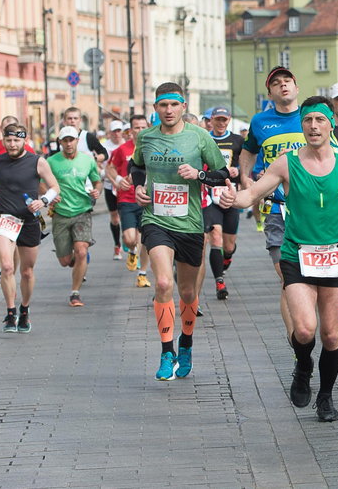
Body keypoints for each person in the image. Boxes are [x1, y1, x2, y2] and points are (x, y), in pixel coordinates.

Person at [221, 97, 338, 422]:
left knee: (331, 335)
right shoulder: (287, 163)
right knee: (304, 330)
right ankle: (303, 366)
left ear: (331, 124)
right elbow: (252, 194)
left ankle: (326, 397)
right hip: (297, 255)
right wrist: (234, 199)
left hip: (335, 256)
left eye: (319, 120)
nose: (313, 126)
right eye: (307, 120)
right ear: (302, 125)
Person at [130, 82, 229, 381]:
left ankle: (185, 343)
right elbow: (136, 167)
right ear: (156, 108)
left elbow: (221, 173)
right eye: (163, 105)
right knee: (162, 283)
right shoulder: (145, 137)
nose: (168, 111)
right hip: (155, 220)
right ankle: (166, 352)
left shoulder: (199, 137)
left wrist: (198, 174)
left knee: (188, 291)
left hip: (189, 223)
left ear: (183, 107)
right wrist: (137, 186)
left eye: (174, 105)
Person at [239, 67, 308, 339]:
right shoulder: (260, 121)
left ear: (296, 86)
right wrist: (245, 177)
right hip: (276, 209)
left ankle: (309, 326)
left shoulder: (312, 117)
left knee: (310, 280)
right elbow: (248, 151)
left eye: (287, 81)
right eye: (276, 84)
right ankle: (298, 345)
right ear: (270, 92)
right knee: (288, 279)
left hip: (312, 210)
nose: (283, 86)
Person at [0, 123, 60, 333]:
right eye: (8, 140)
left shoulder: (37, 162)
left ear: (25, 140)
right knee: (7, 267)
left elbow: (54, 187)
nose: (12, 144)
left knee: (27, 272)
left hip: (30, 220)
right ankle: (10, 312)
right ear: (3, 140)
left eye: (16, 140)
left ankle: (24, 310)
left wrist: (43, 201)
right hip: (7, 218)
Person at [48, 126, 102, 307]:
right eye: (65, 140)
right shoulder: (51, 161)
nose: (69, 143)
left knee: (81, 251)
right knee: (65, 261)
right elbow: (41, 184)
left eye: (72, 140)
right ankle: (73, 259)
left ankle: (75, 293)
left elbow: (97, 181)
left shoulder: (87, 161)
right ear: (60, 142)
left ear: (77, 141)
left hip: (82, 211)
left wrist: (97, 192)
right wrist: (49, 196)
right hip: (61, 213)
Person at [201, 107, 244, 300]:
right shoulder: (204, 138)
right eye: (217, 119)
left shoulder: (237, 140)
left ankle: (226, 259)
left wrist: (238, 171)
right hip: (210, 196)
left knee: (228, 245)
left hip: (230, 194)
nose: (221, 123)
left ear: (228, 120)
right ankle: (220, 281)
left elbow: (245, 163)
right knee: (215, 238)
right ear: (211, 120)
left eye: (224, 119)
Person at [107, 114, 152, 287]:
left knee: (146, 237)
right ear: (130, 130)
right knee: (129, 238)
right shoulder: (122, 149)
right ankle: (132, 251)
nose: (140, 131)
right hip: (127, 199)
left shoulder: (153, 148)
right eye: (136, 127)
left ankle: (142, 273)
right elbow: (110, 168)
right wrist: (118, 181)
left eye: (143, 127)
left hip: (147, 199)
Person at [103, 120, 127, 260]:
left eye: (119, 131)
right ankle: (117, 244)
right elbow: (105, 167)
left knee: (125, 214)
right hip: (109, 185)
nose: (117, 134)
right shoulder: (105, 146)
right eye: (114, 131)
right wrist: (114, 181)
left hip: (125, 186)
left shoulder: (126, 145)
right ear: (110, 133)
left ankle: (126, 237)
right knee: (114, 217)